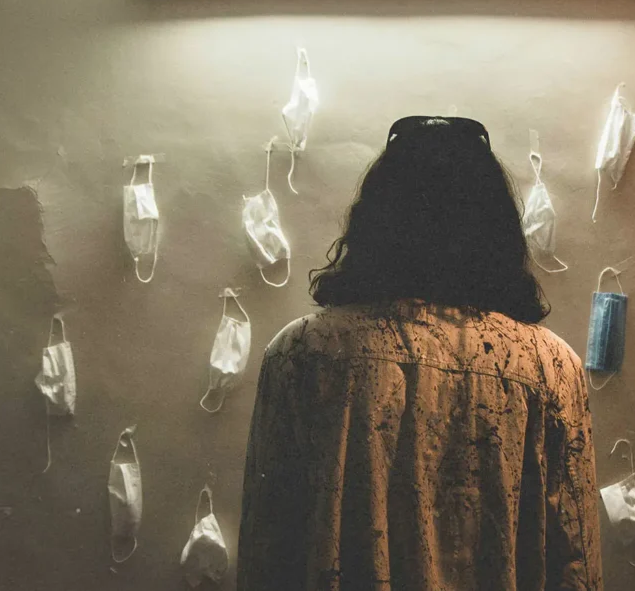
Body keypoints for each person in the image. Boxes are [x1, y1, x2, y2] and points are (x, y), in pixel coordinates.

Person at [237, 116, 602, 590]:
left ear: (375, 222)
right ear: (495, 228)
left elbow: (268, 546)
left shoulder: (302, 353)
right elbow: (576, 558)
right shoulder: (550, 367)